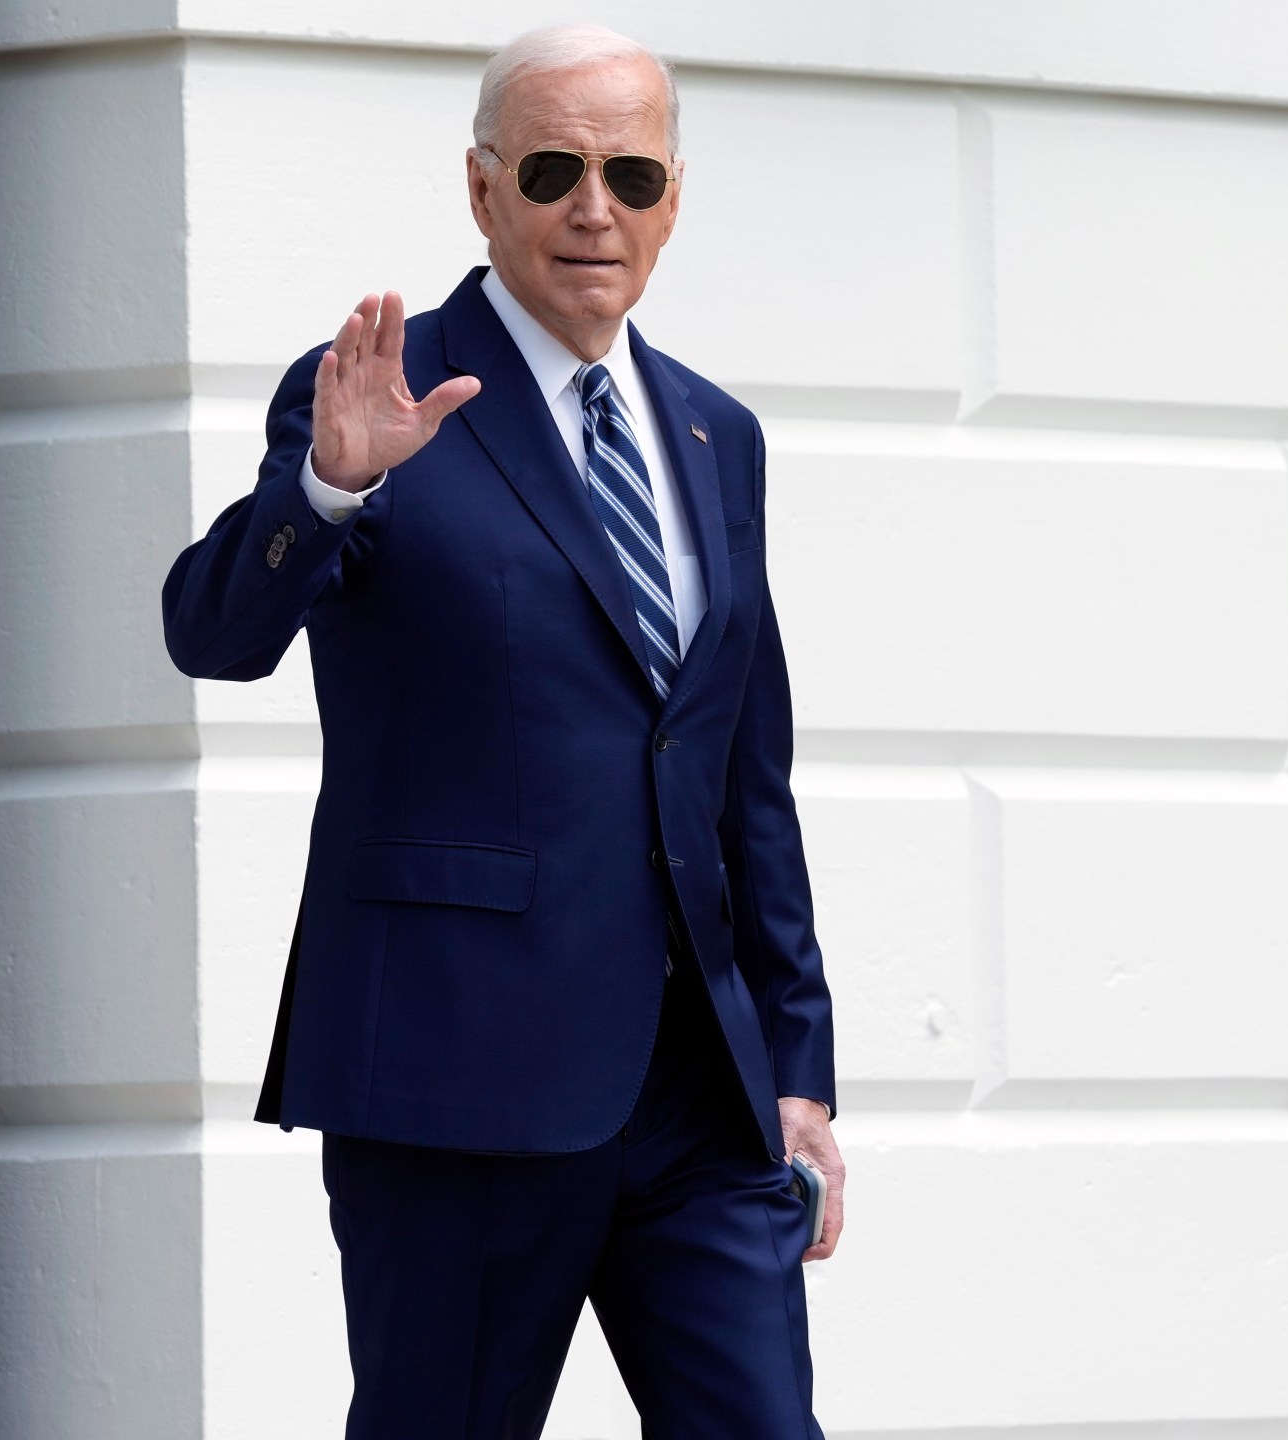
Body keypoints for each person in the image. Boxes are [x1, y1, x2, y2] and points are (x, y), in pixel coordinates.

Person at [159, 23, 842, 1438]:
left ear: (671, 198)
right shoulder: (380, 391)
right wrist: (327, 495)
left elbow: (741, 776)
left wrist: (795, 1067)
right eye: (552, 169)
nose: (595, 209)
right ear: (482, 191)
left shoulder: (719, 434)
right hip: (456, 1079)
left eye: (631, 174)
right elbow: (212, 635)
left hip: (694, 1099)